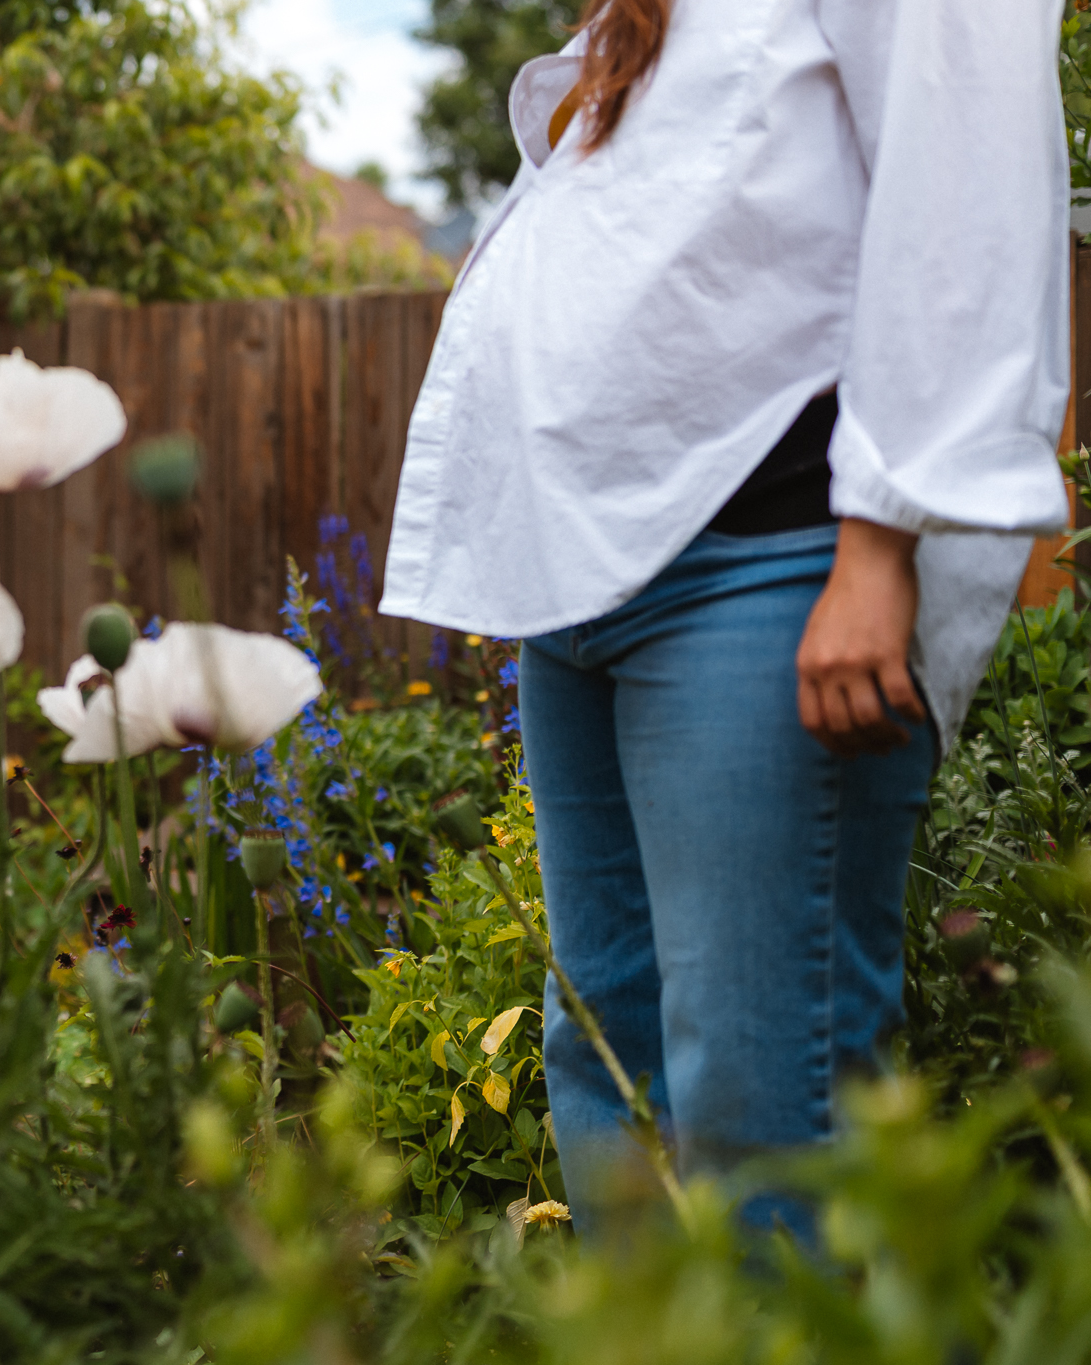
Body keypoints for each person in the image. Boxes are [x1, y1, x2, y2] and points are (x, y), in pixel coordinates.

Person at [380, 0, 1071, 1239]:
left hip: (770, 568)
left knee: (764, 1115)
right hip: (588, 581)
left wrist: (875, 547)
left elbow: (959, 181)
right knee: (607, 1077)